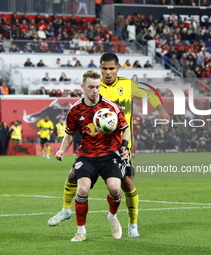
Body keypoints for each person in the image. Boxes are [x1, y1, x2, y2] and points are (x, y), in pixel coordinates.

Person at [48, 53, 170, 237]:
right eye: (104, 68)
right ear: (99, 69)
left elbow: (150, 93)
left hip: (119, 145)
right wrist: (62, 149)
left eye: (111, 68)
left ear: (118, 69)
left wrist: (160, 109)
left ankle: (131, 224)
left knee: (126, 184)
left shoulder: (127, 87)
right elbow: (73, 128)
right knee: (74, 176)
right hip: (90, 149)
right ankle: (67, 212)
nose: (107, 72)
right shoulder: (90, 93)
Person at [55, 70, 130, 241]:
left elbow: (126, 129)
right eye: (91, 87)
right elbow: (70, 134)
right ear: (83, 87)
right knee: (82, 189)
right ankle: (81, 231)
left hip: (109, 154)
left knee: (116, 189)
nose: (95, 91)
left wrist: (124, 146)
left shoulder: (111, 107)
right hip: (87, 155)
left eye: (97, 87)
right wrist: (61, 150)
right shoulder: (75, 110)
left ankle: (112, 217)